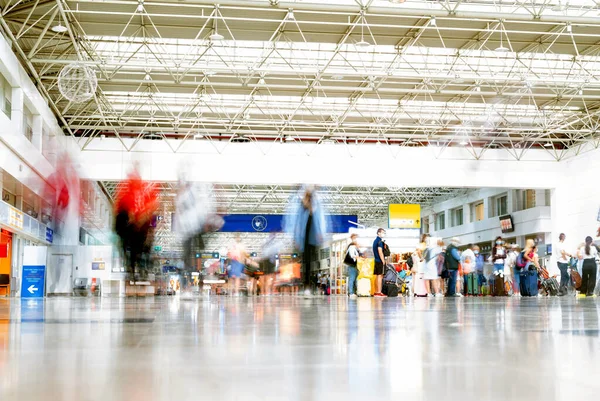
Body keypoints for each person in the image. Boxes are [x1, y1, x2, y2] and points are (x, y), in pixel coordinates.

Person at [283, 185, 327, 297]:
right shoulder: (301, 209)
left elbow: (319, 222)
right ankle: (306, 286)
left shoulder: (315, 209)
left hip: (313, 240)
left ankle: (309, 286)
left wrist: (320, 234)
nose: (308, 200)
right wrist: (296, 239)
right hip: (304, 240)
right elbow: (297, 225)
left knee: (312, 264)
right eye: (307, 198)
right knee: (306, 263)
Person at [345, 234, 361, 299]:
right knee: (352, 278)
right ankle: (351, 292)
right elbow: (352, 255)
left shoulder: (354, 247)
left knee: (354, 279)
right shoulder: (351, 247)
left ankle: (353, 292)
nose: (357, 240)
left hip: (354, 265)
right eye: (355, 238)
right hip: (352, 265)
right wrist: (358, 257)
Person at [373, 228, 387, 297]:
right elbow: (380, 251)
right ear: (378, 233)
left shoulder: (375, 241)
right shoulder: (380, 242)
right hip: (380, 261)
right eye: (382, 232)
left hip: (376, 260)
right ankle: (379, 292)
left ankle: (376, 291)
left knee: (377, 276)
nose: (383, 234)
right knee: (380, 276)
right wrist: (383, 261)